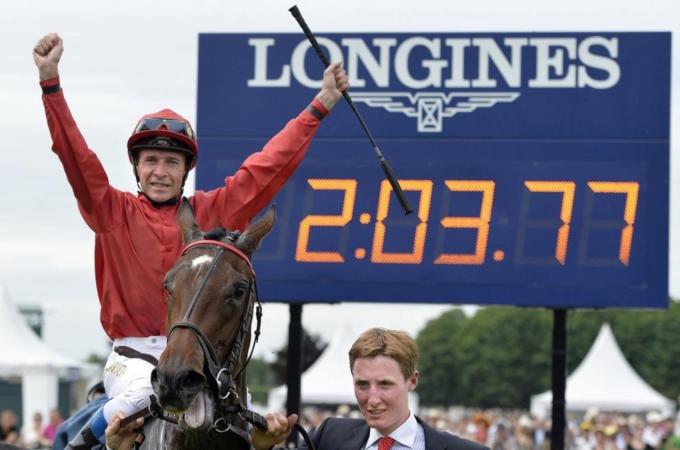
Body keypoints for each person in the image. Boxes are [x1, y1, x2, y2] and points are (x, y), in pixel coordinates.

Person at [33, 32, 348, 450]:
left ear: (185, 170)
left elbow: (266, 169)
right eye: (151, 161)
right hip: (134, 357)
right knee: (140, 394)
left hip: (203, 355)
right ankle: (76, 442)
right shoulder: (111, 210)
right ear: (136, 167)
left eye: (171, 162)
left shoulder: (213, 211)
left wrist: (320, 104)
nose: (160, 171)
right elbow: (76, 157)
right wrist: (50, 83)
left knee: (251, 427)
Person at [249, 328, 489, 450]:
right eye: (362, 384)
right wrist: (262, 446)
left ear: (412, 381)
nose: (372, 399)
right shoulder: (330, 436)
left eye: (385, 384)